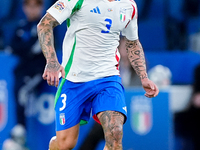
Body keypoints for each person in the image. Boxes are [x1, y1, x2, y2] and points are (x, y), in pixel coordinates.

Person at [37, 0, 159, 149]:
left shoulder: (129, 6)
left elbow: (132, 42)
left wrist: (143, 76)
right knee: (65, 144)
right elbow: (44, 24)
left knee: (115, 132)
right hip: (74, 80)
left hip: (108, 80)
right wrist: (52, 61)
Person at [11, 0, 46, 127]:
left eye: (35, 6)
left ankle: (21, 130)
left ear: (41, 7)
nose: (32, 10)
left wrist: (24, 49)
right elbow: (13, 46)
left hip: (38, 70)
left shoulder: (44, 26)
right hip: (22, 69)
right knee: (18, 91)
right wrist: (26, 49)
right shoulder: (22, 25)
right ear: (24, 8)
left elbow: (35, 49)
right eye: (29, 6)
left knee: (22, 92)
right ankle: (19, 131)